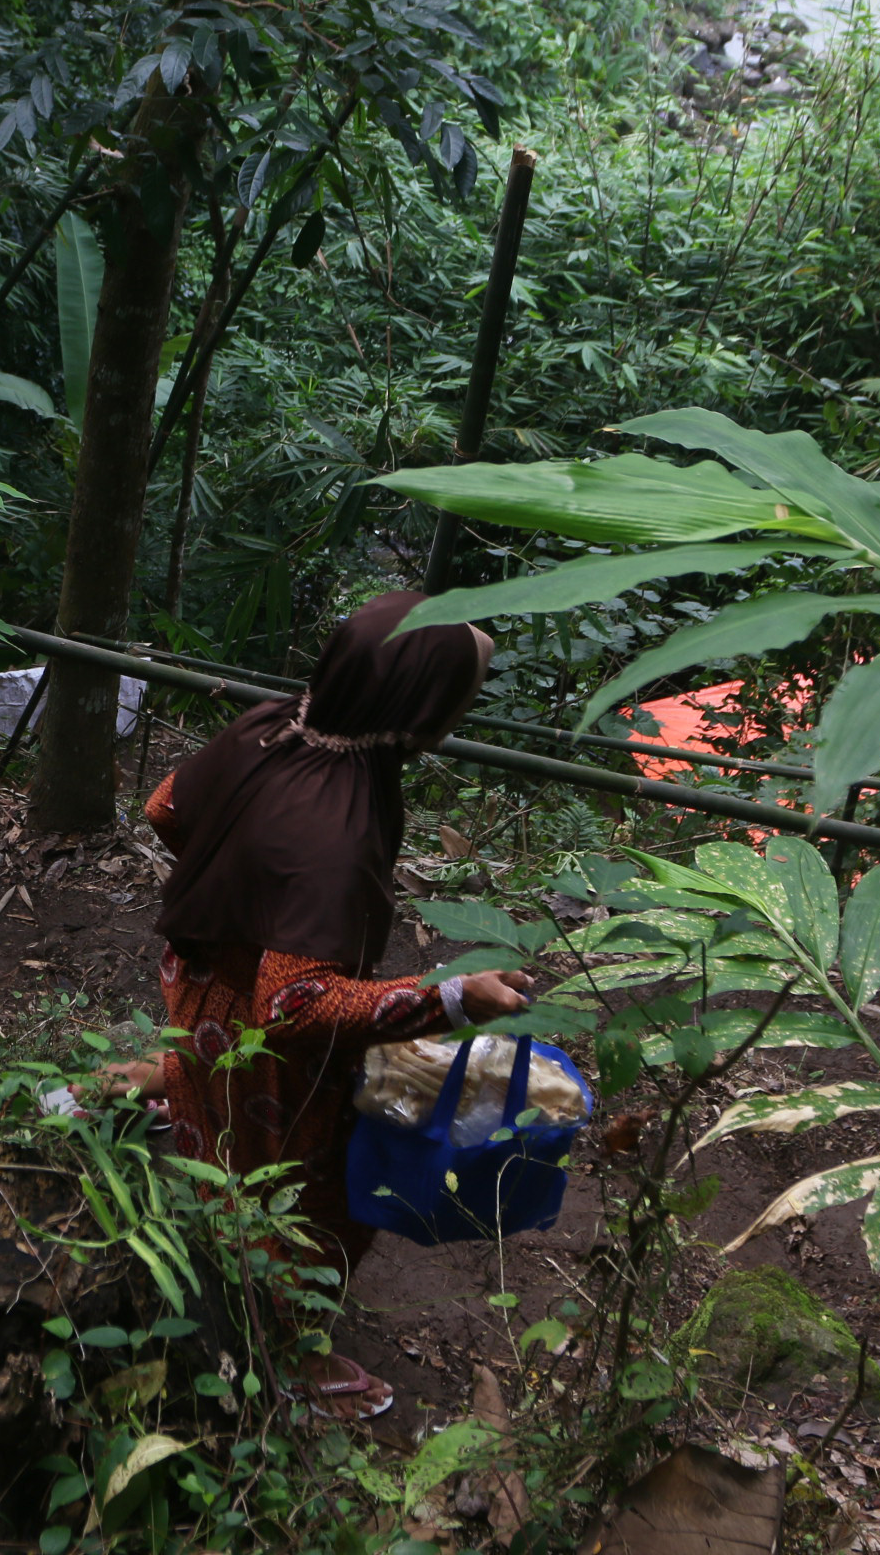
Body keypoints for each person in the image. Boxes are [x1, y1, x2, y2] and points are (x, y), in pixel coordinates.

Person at [138, 591, 533, 1419]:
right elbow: (296, 1006)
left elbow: (165, 806)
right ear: (418, 712)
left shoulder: (275, 722)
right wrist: (453, 995)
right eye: (459, 696)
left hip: (202, 982)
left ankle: (159, 1119)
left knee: (226, 1151)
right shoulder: (335, 832)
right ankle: (284, 1356)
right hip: (260, 1037)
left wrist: (242, 894)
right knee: (314, 1195)